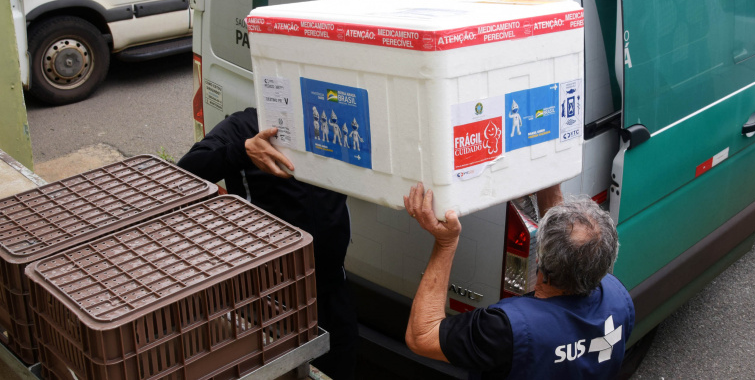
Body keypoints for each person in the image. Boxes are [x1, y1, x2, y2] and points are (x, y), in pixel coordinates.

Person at [177, 108, 357, 380]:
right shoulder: (246, 126)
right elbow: (185, 172)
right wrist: (243, 150)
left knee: (340, 365)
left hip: (330, 289)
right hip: (267, 297)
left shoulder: (331, 125)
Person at [402, 182, 634, 379]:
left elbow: (421, 337)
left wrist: (446, 243)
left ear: (539, 262)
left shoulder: (509, 329)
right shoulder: (617, 297)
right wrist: (550, 186)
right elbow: (571, 251)